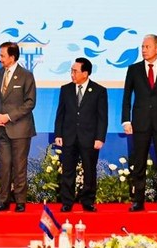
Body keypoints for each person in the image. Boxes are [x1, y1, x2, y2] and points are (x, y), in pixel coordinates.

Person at [122, 34, 157, 213]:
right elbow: (126, 97)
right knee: (139, 162)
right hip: (140, 123)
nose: (144, 50)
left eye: (147, 46)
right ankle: (138, 200)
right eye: (143, 46)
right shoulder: (133, 69)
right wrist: (126, 120)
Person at [0, 41, 36, 213]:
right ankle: (4, 200)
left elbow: (30, 103)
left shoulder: (26, 75)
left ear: (12, 57)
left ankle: (20, 201)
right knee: (5, 165)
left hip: (20, 128)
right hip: (1, 128)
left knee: (19, 166)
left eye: (2, 55)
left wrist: (8, 117)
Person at [54, 57, 108, 213]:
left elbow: (102, 117)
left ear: (85, 73)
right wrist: (58, 133)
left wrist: (100, 138)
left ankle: (88, 201)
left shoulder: (99, 91)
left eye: (75, 71)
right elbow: (60, 114)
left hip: (90, 139)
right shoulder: (65, 89)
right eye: (71, 70)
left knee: (89, 171)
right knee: (67, 171)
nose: (72, 74)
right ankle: (67, 202)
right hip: (69, 136)